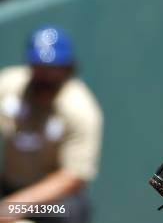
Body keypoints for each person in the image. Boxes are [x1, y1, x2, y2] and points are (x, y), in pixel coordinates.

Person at [0, 25, 103, 223]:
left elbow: (73, 177)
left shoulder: (80, 108)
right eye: (40, 69)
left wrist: (12, 207)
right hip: (8, 185)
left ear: (67, 69)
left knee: (72, 210)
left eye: (53, 70)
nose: (46, 77)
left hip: (52, 203)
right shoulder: (10, 86)